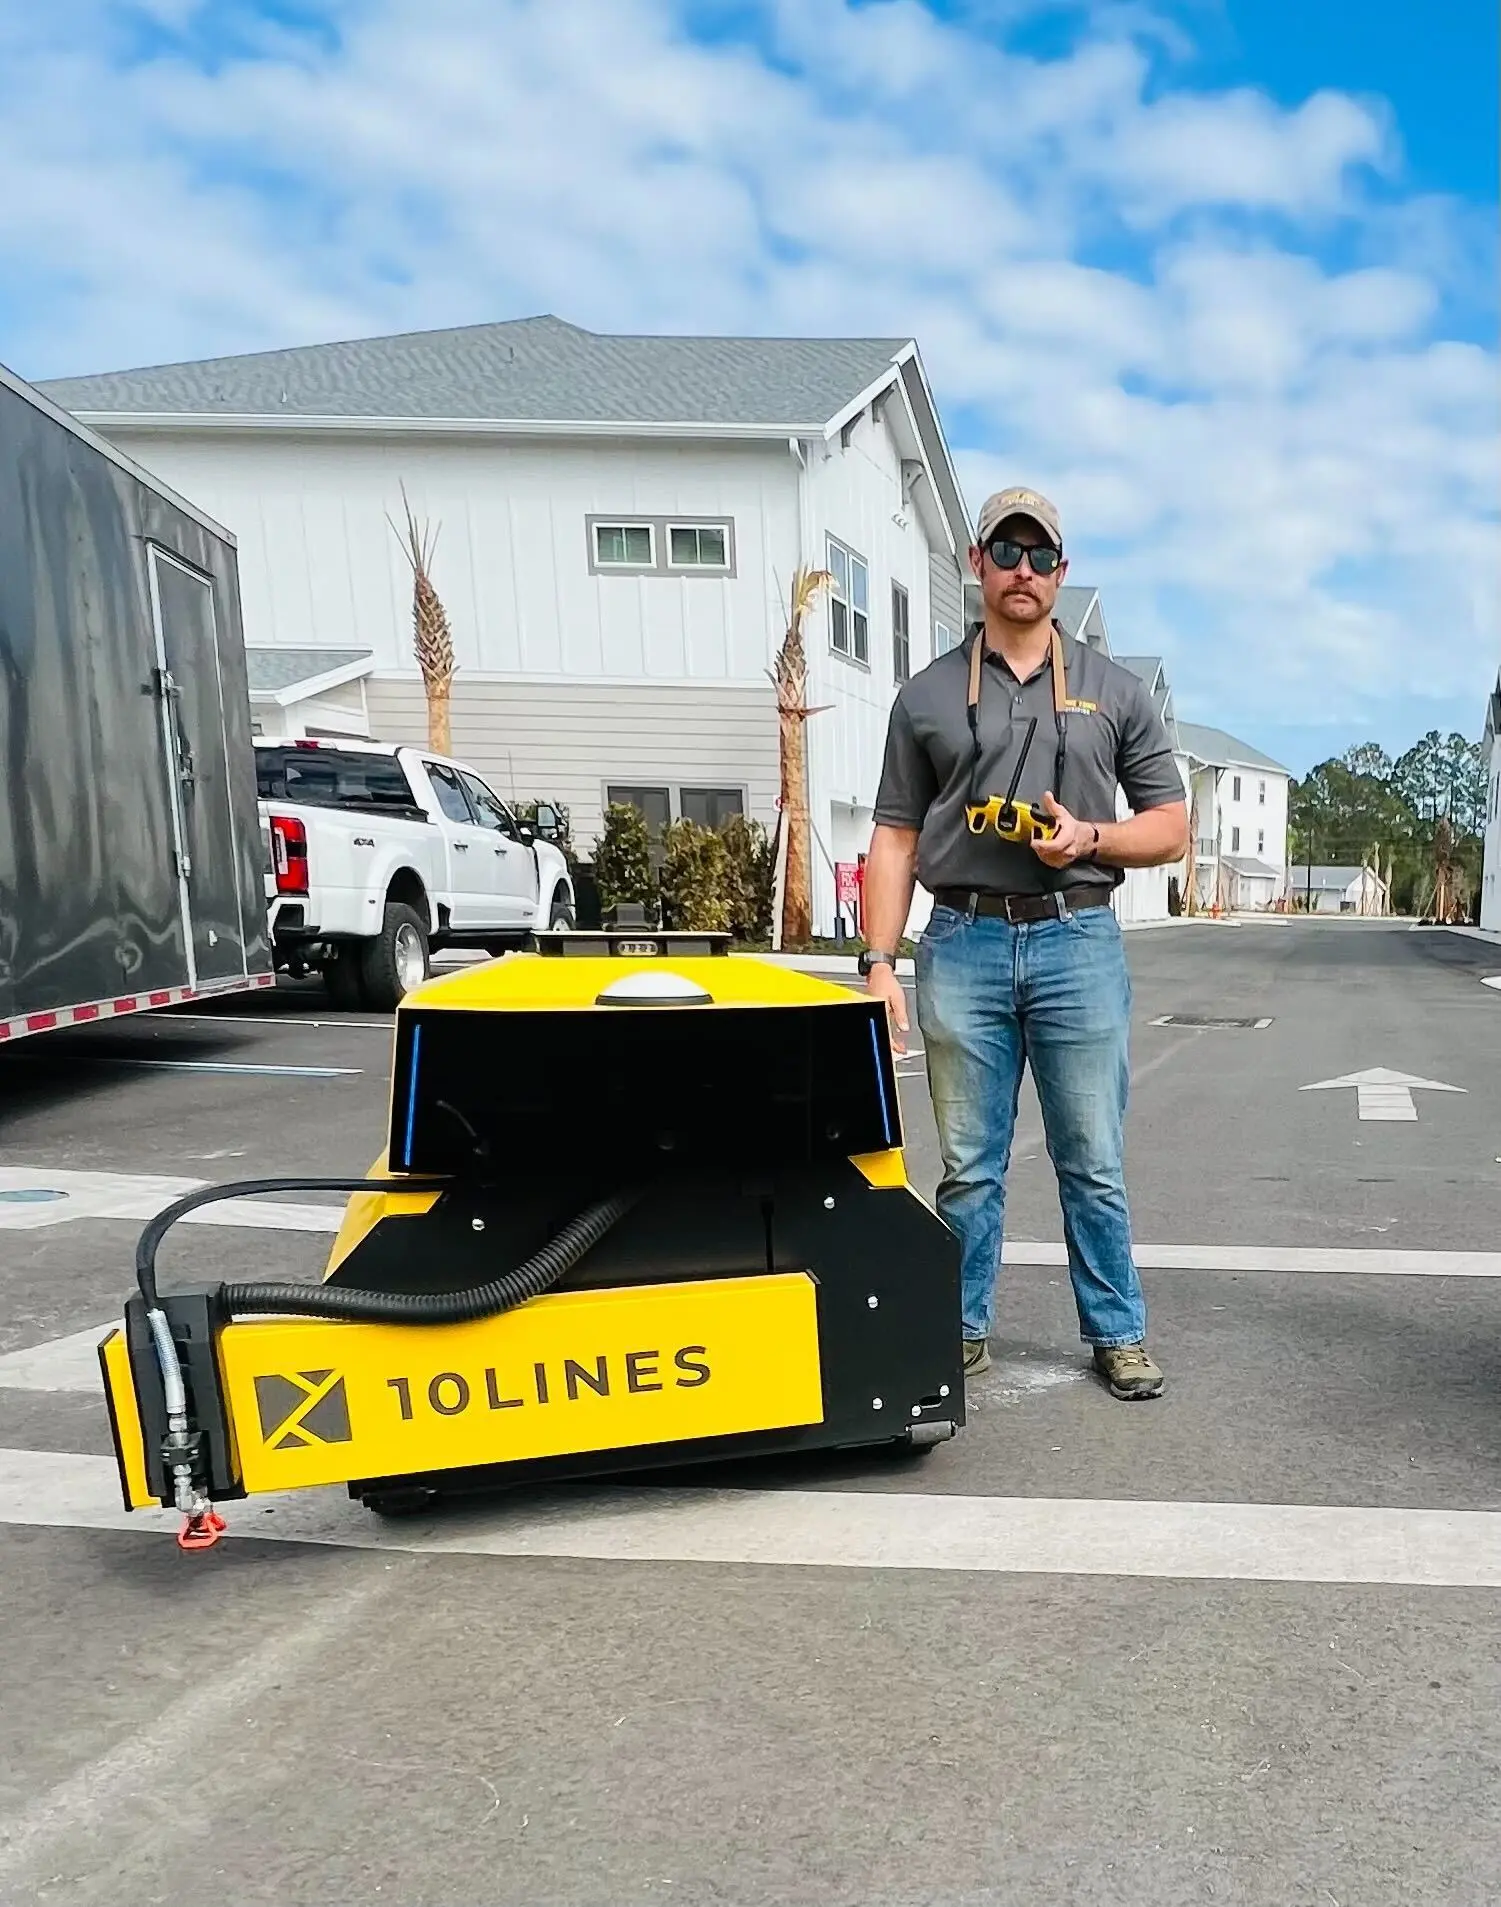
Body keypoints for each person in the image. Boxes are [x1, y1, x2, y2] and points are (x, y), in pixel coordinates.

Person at [859, 488, 1188, 1399]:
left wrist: (1090, 837)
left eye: (1039, 557)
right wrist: (879, 963)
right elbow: (892, 834)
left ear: (1061, 573)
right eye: (1005, 552)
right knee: (967, 1164)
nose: (1022, 571)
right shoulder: (925, 694)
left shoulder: (1113, 690)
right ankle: (956, 1330)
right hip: (959, 940)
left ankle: (1116, 1331)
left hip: (1075, 937)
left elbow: (1168, 825)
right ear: (977, 563)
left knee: (1092, 1155)